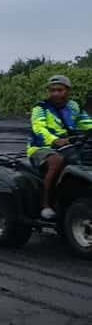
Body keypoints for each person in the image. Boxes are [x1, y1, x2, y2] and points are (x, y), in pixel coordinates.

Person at [28, 75, 92, 219]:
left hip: (69, 144)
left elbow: (86, 122)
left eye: (59, 90)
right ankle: (46, 204)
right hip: (41, 147)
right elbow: (39, 129)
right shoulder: (40, 108)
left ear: (68, 91)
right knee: (57, 161)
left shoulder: (73, 107)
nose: (55, 93)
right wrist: (55, 140)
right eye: (52, 90)